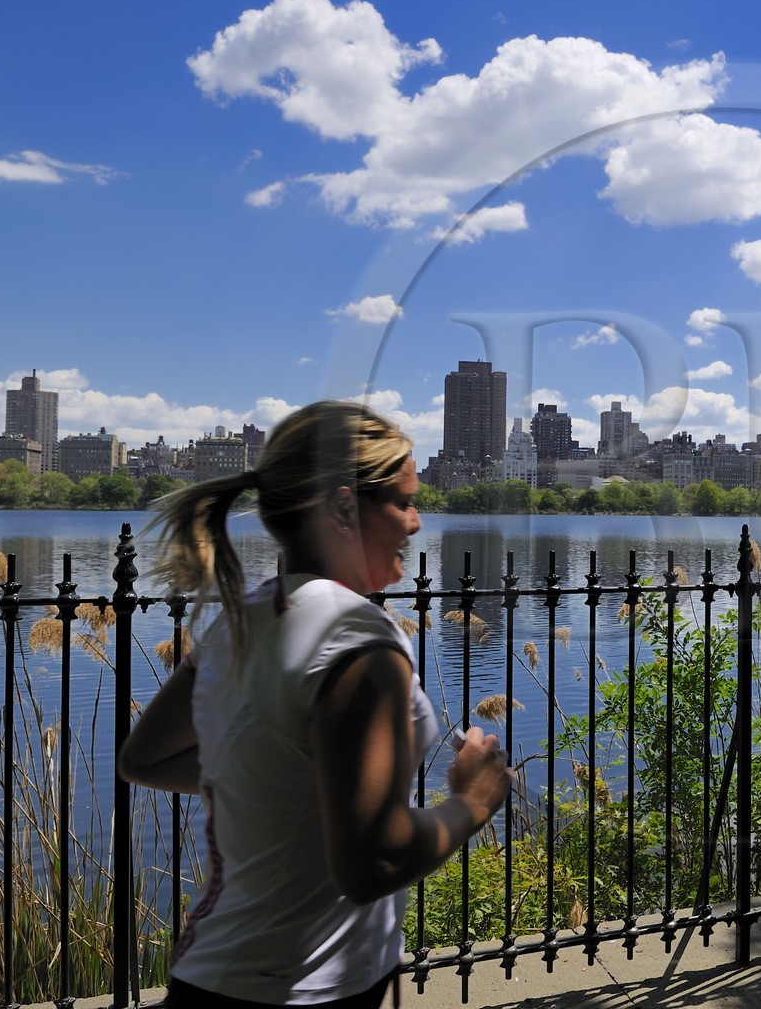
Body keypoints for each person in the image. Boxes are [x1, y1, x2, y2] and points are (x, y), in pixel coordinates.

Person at [119, 399, 512, 1007]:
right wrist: (472, 802)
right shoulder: (358, 641)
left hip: (215, 975)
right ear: (343, 508)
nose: (416, 523)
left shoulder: (243, 618)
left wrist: (292, 777)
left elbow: (144, 759)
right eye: (404, 502)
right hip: (300, 993)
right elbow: (372, 866)